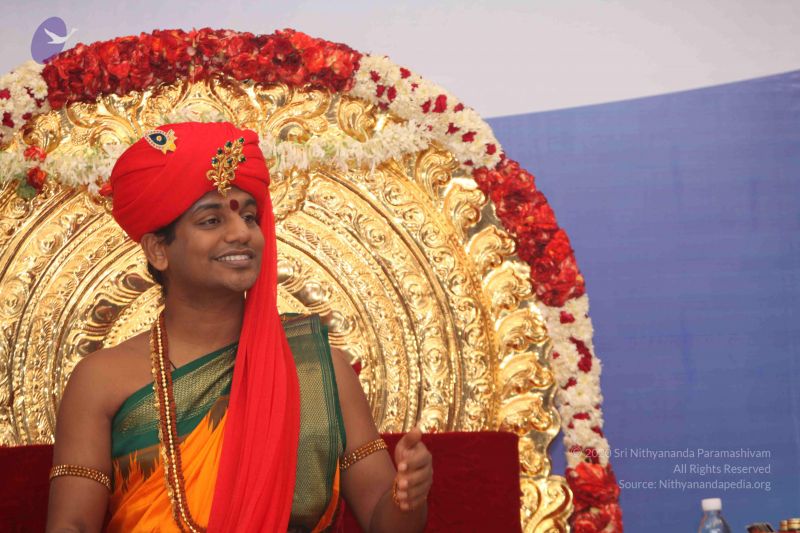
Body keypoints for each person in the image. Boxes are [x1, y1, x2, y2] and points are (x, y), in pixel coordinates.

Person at [45, 121, 432, 532]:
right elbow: (73, 525)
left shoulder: (320, 368)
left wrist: (406, 497)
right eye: (211, 220)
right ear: (158, 250)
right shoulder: (101, 379)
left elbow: (384, 523)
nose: (242, 233)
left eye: (249, 216)